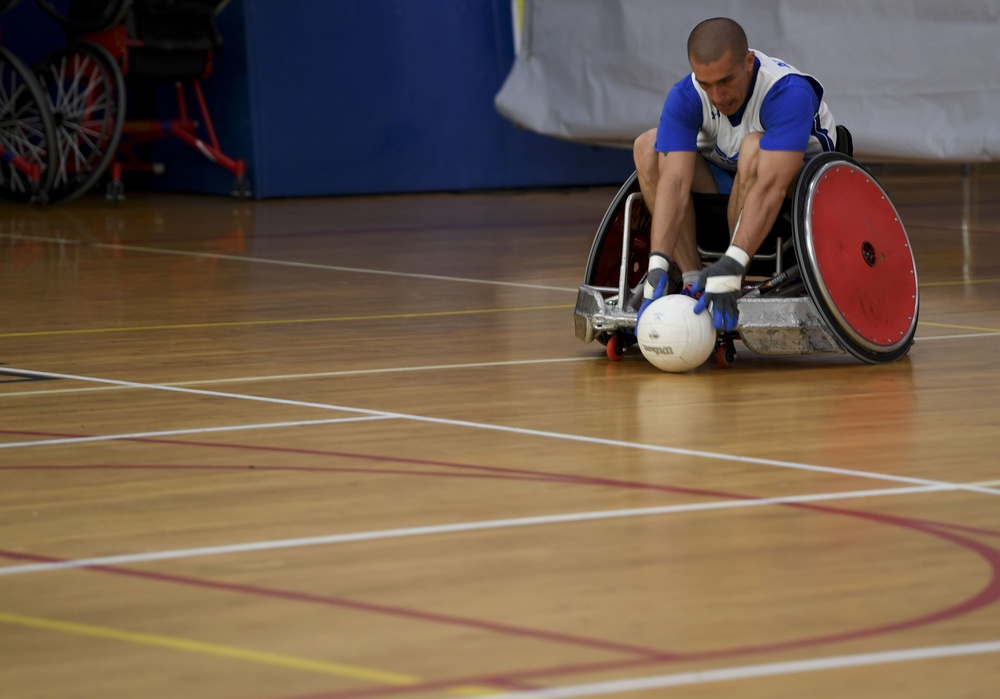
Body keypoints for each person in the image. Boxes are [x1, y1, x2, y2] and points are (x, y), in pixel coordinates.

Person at [634, 17, 839, 332]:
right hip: (728, 181)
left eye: (726, 81)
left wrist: (732, 266)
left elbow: (772, 187)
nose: (717, 97)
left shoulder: (786, 91)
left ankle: (730, 277)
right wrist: (658, 262)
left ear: (748, 62)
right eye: (706, 85)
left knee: (753, 147)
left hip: (796, 192)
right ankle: (692, 283)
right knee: (648, 145)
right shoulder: (686, 95)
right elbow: (673, 183)